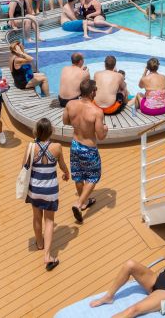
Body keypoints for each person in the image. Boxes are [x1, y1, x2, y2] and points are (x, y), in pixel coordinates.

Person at [23, 118, 69, 271]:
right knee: (49, 221)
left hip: (35, 189)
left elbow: (24, 166)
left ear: (36, 131)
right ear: (51, 131)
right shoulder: (57, 147)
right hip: (50, 190)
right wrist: (66, 173)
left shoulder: (31, 147)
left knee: (37, 216)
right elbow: (62, 165)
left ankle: (40, 243)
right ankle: (48, 255)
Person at [63, 79, 108, 223]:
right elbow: (100, 136)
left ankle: (84, 202)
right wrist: (105, 129)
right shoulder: (97, 112)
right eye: (96, 90)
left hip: (75, 145)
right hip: (88, 148)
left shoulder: (70, 104)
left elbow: (65, 121)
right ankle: (79, 203)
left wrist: (78, 124)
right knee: (93, 177)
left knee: (78, 175)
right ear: (92, 92)